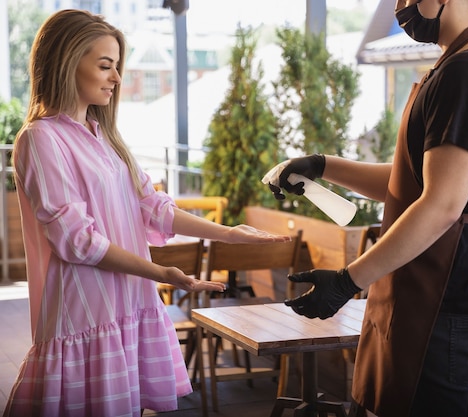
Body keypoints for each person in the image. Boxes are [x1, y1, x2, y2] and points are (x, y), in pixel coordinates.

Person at [3, 9, 289, 417]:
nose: (117, 78)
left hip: (127, 304)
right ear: (67, 62)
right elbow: (76, 241)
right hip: (86, 311)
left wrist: (228, 233)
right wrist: (162, 274)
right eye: (106, 66)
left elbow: (153, 208)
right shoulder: (40, 139)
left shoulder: (105, 137)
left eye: (117, 66)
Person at [266, 0, 468, 416]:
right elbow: (411, 179)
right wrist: (323, 165)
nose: (401, 8)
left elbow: (441, 204)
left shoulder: (466, 74)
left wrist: (349, 280)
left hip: (448, 291)